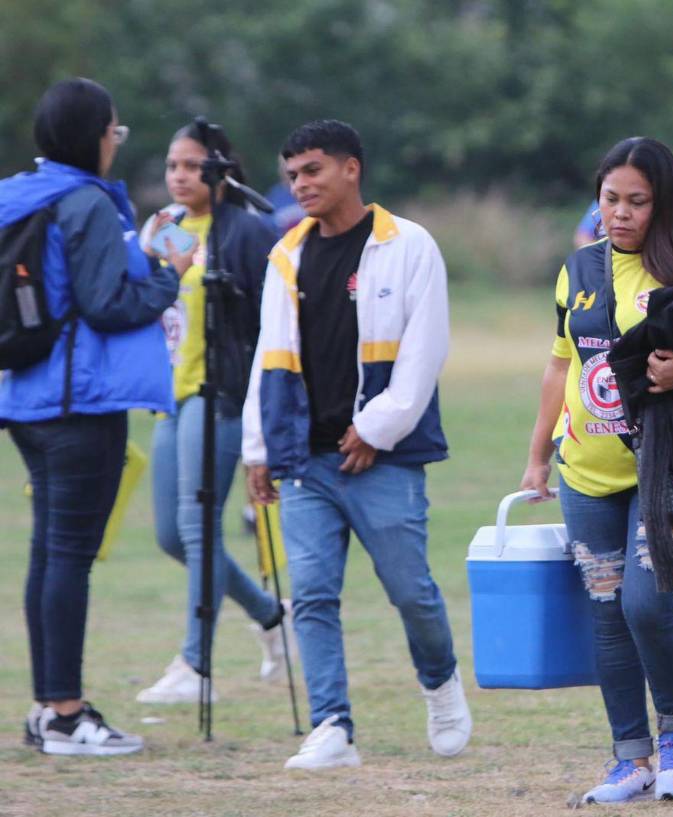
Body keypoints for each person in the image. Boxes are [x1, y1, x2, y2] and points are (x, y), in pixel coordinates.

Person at [521, 137, 673, 804]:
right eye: (611, 200)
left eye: (637, 201)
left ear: (664, 203)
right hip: (585, 470)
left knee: (645, 599)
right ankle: (628, 758)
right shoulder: (577, 269)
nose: (621, 213)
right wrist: (537, 454)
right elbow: (559, 363)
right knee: (606, 610)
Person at [243, 119, 470, 769]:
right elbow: (268, 357)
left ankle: (441, 682)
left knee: (410, 589)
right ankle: (332, 725)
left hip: (385, 454)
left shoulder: (410, 245)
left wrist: (376, 428)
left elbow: (426, 352)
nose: (300, 185)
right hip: (306, 456)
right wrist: (257, 448)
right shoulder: (285, 253)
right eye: (291, 175)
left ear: (351, 169)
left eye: (312, 170)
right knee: (312, 594)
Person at [0, 78, 179, 755]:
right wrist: (169, 273)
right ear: (92, 135)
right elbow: (108, 304)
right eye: (114, 131)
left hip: (23, 397)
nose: (115, 142)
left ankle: (50, 707)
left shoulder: (18, 194)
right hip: (82, 403)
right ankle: (69, 714)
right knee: (69, 558)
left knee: (50, 555)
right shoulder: (87, 204)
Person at [134, 124, 290, 704]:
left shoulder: (247, 232)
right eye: (172, 164)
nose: (178, 175)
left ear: (219, 169)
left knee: (199, 528)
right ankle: (274, 617)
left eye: (191, 164)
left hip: (219, 393)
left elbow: (268, 321)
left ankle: (195, 664)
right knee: (174, 538)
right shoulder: (160, 229)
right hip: (168, 398)